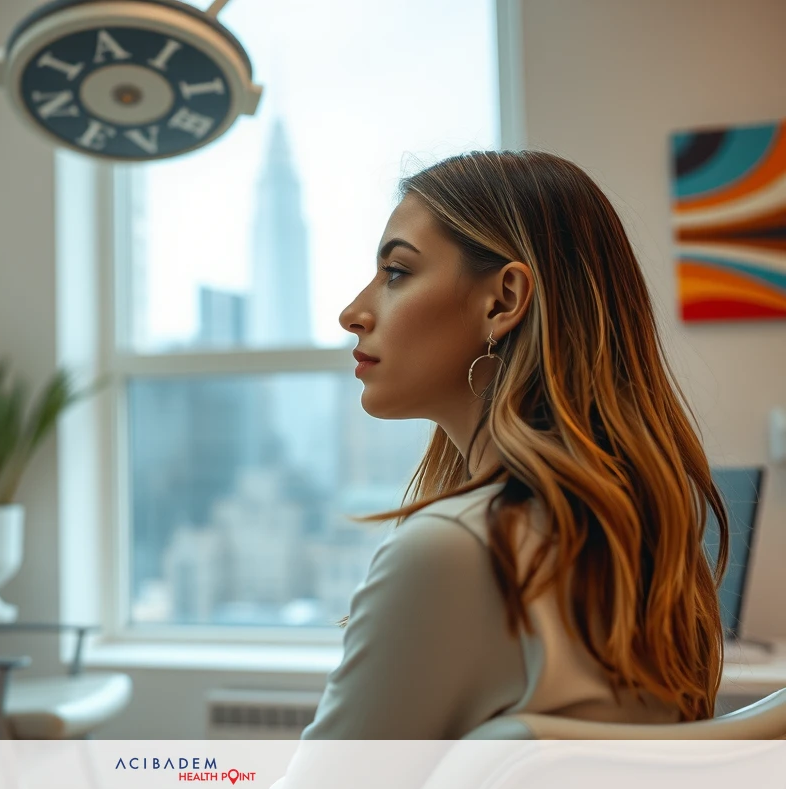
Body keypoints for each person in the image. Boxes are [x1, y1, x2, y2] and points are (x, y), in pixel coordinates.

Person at [303, 149, 730, 739]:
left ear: (504, 300)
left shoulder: (452, 551)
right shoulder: (643, 537)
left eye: (396, 273)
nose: (353, 312)